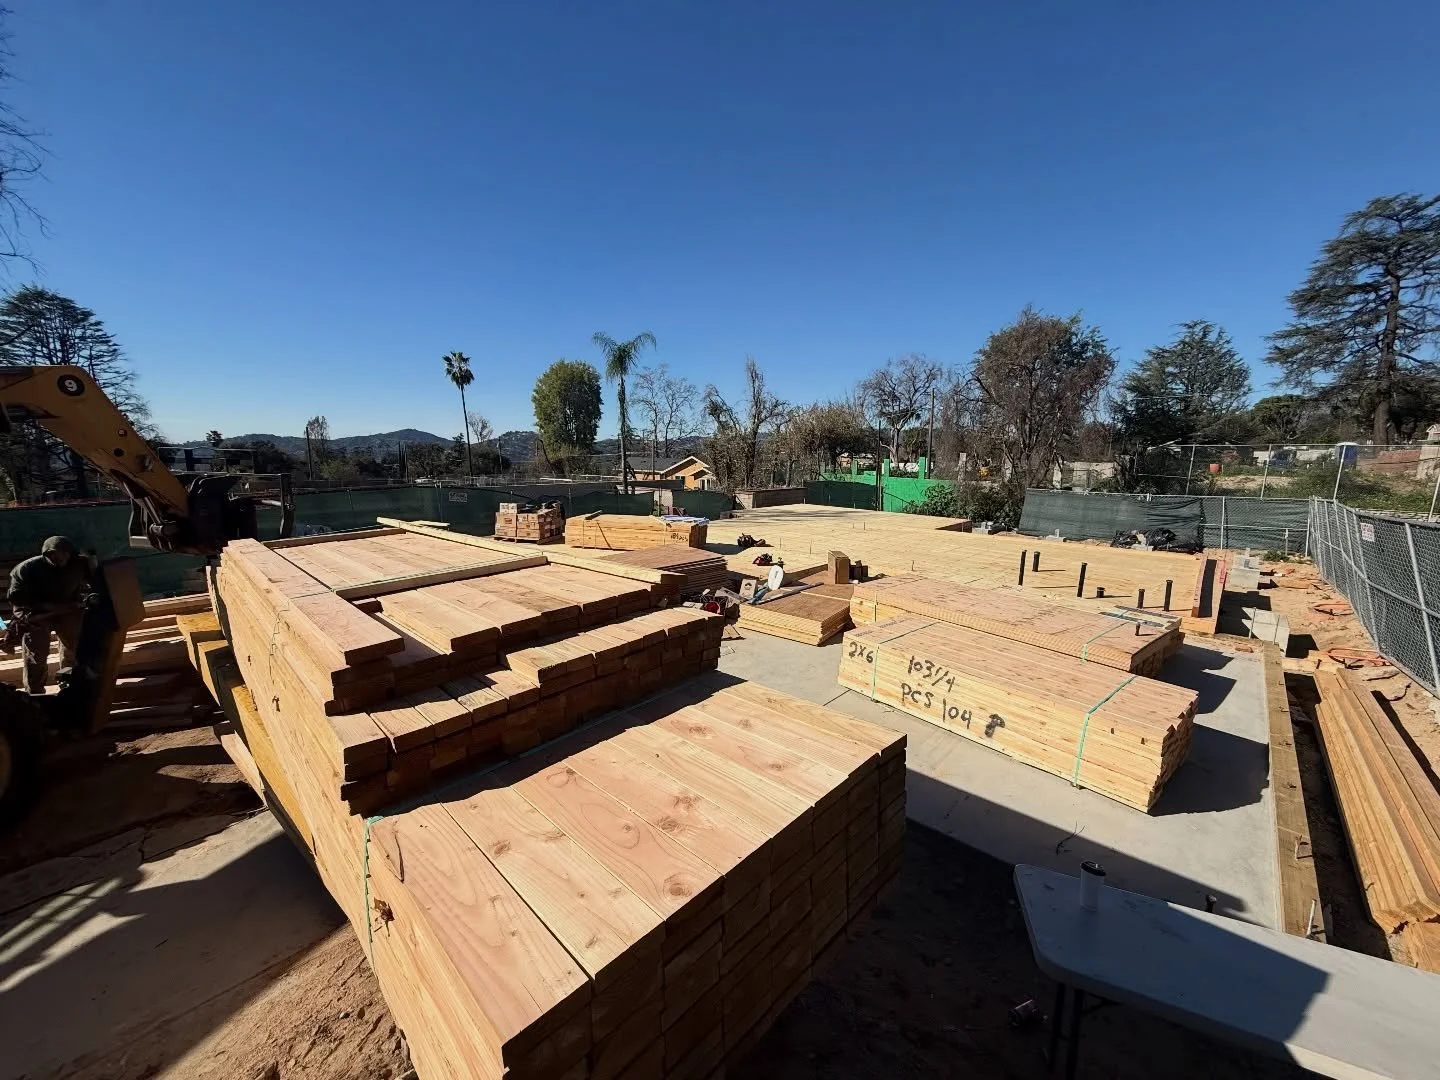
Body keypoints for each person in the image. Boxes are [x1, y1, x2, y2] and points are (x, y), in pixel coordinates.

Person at [7, 536, 90, 694]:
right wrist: (46, 606)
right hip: (36, 614)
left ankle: (70, 686)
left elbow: (95, 582)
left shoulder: (78, 565)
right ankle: (35, 693)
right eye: (57, 554)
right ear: (48, 554)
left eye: (66, 554)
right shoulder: (26, 569)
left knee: (73, 649)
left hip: (66, 610)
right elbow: (16, 598)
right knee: (36, 656)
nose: (62, 558)